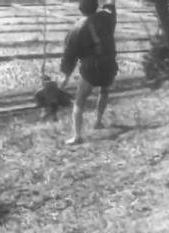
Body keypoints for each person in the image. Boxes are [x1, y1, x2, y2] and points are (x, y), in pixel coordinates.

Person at [60, 0, 118, 145]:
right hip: (109, 63)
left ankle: (77, 136)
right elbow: (111, 7)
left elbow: (69, 55)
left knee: (79, 101)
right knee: (104, 91)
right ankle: (98, 121)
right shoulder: (107, 18)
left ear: (80, 9)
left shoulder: (76, 29)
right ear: (96, 6)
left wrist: (66, 76)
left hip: (90, 68)